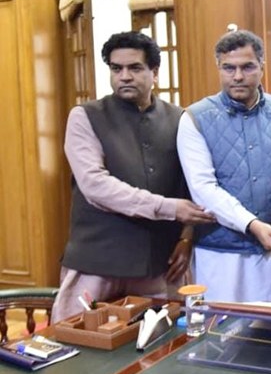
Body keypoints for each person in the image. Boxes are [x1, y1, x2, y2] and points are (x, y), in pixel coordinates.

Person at [52, 31, 215, 323]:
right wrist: (169, 208)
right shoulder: (85, 116)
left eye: (135, 68)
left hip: (160, 264)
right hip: (96, 261)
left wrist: (187, 237)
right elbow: (95, 185)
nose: (124, 76)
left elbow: (193, 185)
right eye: (116, 69)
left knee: (165, 344)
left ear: (155, 72)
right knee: (78, 343)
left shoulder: (179, 119)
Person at [177, 30, 271, 303]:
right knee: (222, 327)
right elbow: (203, 189)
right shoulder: (194, 118)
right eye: (229, 68)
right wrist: (251, 224)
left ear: (262, 66)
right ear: (219, 68)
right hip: (222, 254)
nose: (238, 76)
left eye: (247, 67)